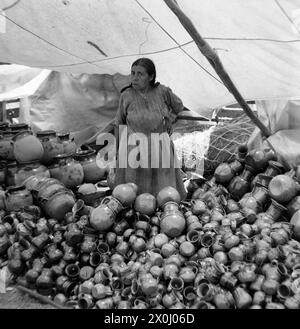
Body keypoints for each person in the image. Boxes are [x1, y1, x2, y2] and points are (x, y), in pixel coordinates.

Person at [113, 57, 187, 200]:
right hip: (134, 147)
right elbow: (119, 123)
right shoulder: (126, 95)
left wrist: (169, 119)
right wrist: (118, 151)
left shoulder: (163, 92)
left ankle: (165, 211)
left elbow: (179, 106)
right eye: (132, 73)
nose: (134, 78)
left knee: (164, 191)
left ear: (151, 76)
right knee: (134, 192)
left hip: (159, 145)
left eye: (140, 74)